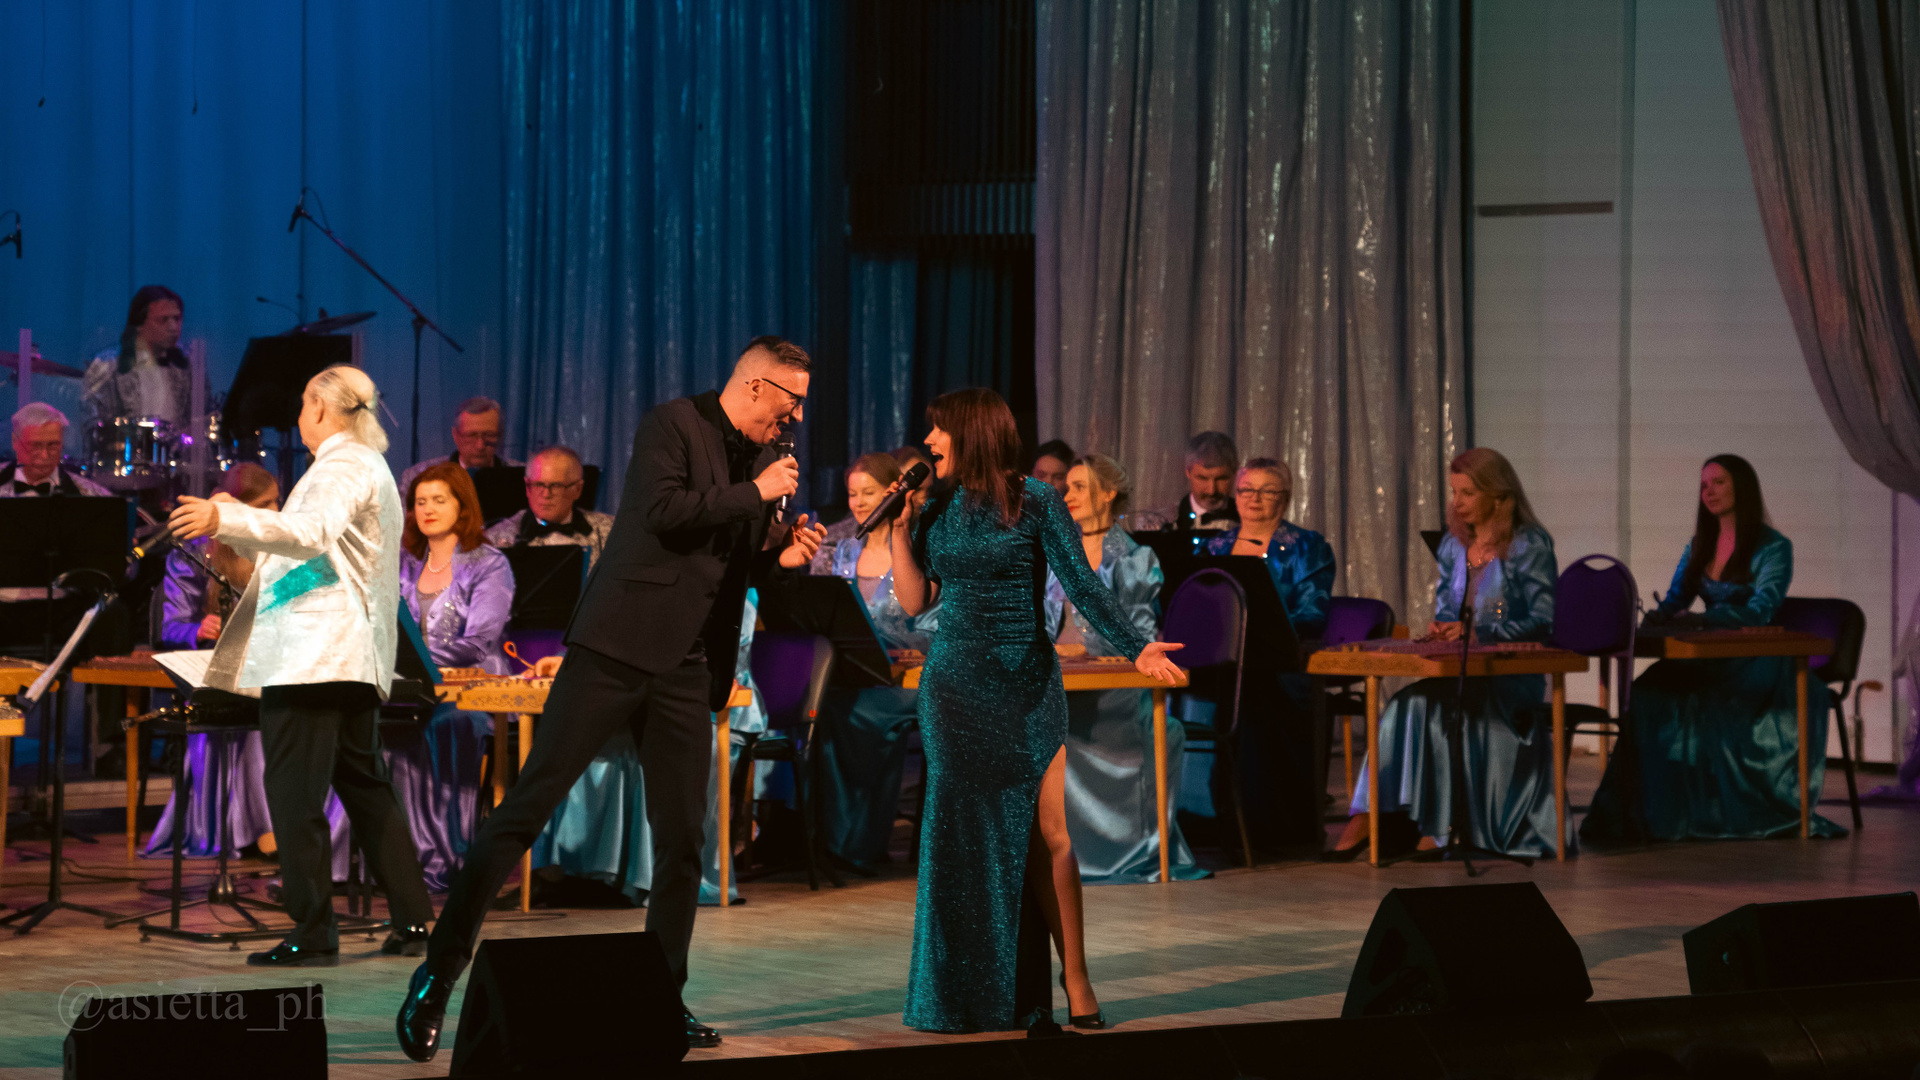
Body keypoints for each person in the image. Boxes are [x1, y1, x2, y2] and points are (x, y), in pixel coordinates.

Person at [397, 335, 829, 1062]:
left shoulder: (758, 460)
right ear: (757, 385)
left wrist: (777, 552)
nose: (795, 419)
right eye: (792, 402)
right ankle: (438, 973)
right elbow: (662, 512)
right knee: (527, 806)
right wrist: (753, 495)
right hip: (616, 648)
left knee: (683, 840)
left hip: (686, 664)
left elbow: (724, 563)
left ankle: (662, 996)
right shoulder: (673, 424)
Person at [886, 387, 1183, 1034]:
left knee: (1051, 835)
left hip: (1024, 684)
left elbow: (1081, 584)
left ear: (972, 431)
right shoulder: (936, 507)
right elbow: (914, 602)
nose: (929, 441)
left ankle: (1076, 977)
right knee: (957, 841)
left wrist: (1136, 646)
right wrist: (900, 528)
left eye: (939, 429)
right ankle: (963, 994)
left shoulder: (1035, 501)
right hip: (954, 686)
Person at [167, 365, 433, 966]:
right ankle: (414, 919)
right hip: (346, 654)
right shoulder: (365, 466)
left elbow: (309, 534)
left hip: (315, 658)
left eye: (302, 406)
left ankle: (313, 930)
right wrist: (239, 544)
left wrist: (224, 518)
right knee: (365, 786)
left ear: (317, 407)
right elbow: (316, 567)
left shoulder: (340, 467)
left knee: (294, 792)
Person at [1583, 455, 1843, 843]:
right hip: (1708, 656)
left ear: (1742, 487)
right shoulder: (1699, 546)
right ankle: (1649, 814)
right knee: (1647, 692)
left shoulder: (1773, 547)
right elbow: (1675, 599)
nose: (1709, 492)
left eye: (1718, 483)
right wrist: (1654, 617)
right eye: (1704, 485)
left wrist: (1704, 620)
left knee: (1705, 705)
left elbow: (1761, 610)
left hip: (1753, 658)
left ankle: (1713, 815)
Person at [1331, 448, 1562, 860]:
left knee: (1438, 712)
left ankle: (1440, 828)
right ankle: (1369, 815)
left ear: (1498, 494)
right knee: (1404, 706)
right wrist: (1443, 627)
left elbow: (1543, 619)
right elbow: (1446, 609)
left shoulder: (1528, 543)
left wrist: (1481, 631)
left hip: (1509, 676)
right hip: (1463, 671)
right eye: (1454, 492)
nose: (1457, 502)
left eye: (1468, 493)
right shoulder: (1454, 546)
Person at [1045, 454, 1204, 884]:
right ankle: (1051, 853)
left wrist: (1082, 650)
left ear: (1108, 493)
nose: (1068, 495)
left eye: (1079, 486)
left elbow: (1139, 633)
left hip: (1115, 689)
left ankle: (1119, 853)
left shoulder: (1134, 556)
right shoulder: (1058, 552)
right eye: (1068, 487)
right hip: (1064, 682)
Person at [387, 463, 515, 890]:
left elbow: (479, 642)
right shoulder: (403, 562)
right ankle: (373, 861)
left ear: (462, 506)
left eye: (439, 500)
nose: (427, 509)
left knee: (445, 723)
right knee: (365, 725)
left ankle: (440, 858)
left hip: (474, 688)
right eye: (420, 502)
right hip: (410, 686)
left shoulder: (489, 563)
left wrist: (417, 661)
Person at [146, 463, 282, 861]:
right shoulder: (193, 555)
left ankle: (269, 827)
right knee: (243, 715)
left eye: (277, 501)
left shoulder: (278, 547)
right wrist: (198, 629)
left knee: (271, 711)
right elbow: (171, 626)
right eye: (265, 504)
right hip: (215, 671)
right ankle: (253, 829)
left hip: (268, 667)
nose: (276, 512)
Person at [810, 452, 939, 871]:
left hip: (906, 679)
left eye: (868, 493)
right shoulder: (846, 549)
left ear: (892, 493)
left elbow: (933, 625)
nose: (859, 503)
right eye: (852, 494)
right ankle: (829, 839)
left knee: (851, 713)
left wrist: (895, 645)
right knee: (822, 707)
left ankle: (856, 844)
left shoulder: (918, 547)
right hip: (853, 674)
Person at [1197, 457, 1336, 637]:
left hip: (1280, 648)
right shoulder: (1212, 547)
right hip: (1213, 645)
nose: (1255, 498)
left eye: (1268, 491)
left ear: (1285, 499)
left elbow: (1311, 617)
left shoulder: (1308, 548)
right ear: (1236, 496)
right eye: (1247, 490)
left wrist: (1249, 630)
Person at [82, 285, 208, 429]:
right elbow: (93, 423)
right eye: (163, 320)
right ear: (139, 324)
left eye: (177, 319)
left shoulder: (188, 365)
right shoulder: (107, 365)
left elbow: (199, 421)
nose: (173, 327)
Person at [483, 445, 614, 567]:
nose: (546, 494)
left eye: (556, 485)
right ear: (528, 488)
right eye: (539, 485)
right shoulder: (494, 540)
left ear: (577, 489)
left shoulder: (609, 532)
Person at [397, 396, 522, 498]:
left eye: (489, 435)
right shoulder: (417, 477)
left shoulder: (522, 478)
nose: (480, 446)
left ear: (500, 436)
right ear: (455, 435)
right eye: (471, 436)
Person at [1129, 431, 1238, 531]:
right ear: (1187, 472)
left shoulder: (1246, 520)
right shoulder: (1156, 522)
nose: (1211, 490)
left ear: (1234, 473)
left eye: (1221, 479)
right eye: (1202, 478)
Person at [2, 402, 112, 498]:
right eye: (35, 446)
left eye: (53, 445)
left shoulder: (95, 496)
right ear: (15, 441)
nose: (45, 455)